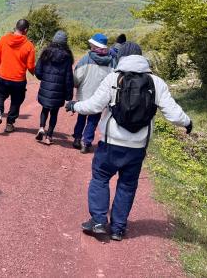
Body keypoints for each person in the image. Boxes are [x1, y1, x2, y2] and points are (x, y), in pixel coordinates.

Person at [65, 42, 192, 241]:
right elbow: (173, 113)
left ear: (121, 57)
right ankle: (118, 228)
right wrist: (187, 122)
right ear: (141, 58)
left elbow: (94, 106)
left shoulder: (114, 78)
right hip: (137, 148)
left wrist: (74, 106)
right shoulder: (156, 82)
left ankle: (98, 221)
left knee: (100, 178)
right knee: (127, 185)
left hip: (111, 143)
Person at [0, 19, 36, 133]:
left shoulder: (4, 39)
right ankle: (10, 124)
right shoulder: (29, 45)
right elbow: (30, 65)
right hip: (19, 79)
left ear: (15, 27)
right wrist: (36, 73)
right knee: (16, 101)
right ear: (25, 30)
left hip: (3, 76)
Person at [72, 33, 113, 153]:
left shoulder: (86, 59)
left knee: (81, 117)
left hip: (85, 95)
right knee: (93, 120)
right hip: (101, 98)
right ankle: (86, 143)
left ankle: (77, 139)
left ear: (94, 46)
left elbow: (76, 78)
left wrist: (76, 85)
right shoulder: (111, 61)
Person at [34, 30, 74, 145]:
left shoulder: (46, 53)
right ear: (65, 43)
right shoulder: (67, 58)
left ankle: (41, 127)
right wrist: (69, 96)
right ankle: (49, 136)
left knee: (45, 109)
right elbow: (68, 78)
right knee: (54, 113)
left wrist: (44, 78)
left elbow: (38, 71)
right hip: (59, 91)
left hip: (46, 87)